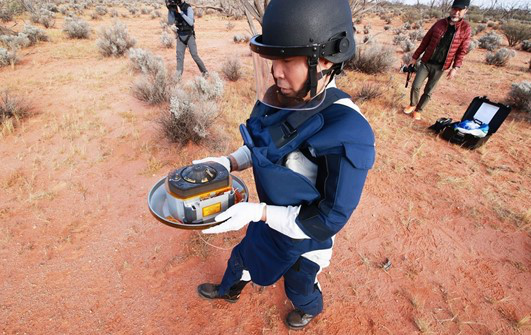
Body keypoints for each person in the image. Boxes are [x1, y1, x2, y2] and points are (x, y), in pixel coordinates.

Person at [193, 0, 375, 330]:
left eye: (287, 59)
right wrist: (229, 161)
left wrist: (258, 212)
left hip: (306, 237)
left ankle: (310, 307)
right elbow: (263, 147)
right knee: (243, 256)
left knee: (298, 284)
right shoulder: (281, 95)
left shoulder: (349, 131)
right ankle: (229, 290)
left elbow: (326, 219)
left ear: (323, 59)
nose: (276, 71)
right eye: (272, 59)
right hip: (269, 217)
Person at [403, 0, 471, 121]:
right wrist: (415, 57)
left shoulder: (465, 28)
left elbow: (462, 50)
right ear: (451, 9)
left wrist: (455, 68)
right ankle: (413, 104)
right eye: (455, 9)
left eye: (460, 10)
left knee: (429, 91)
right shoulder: (439, 24)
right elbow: (425, 41)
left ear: (465, 11)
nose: (456, 12)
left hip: (441, 66)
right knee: (416, 85)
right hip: (426, 62)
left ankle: (419, 110)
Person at [165, 0, 208, 77]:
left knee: (194, 55)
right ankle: (178, 77)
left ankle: (205, 72)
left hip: (189, 35)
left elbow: (191, 22)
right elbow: (170, 22)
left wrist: (180, 12)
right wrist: (170, 10)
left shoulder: (188, 7)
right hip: (180, 36)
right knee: (179, 57)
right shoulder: (174, 8)